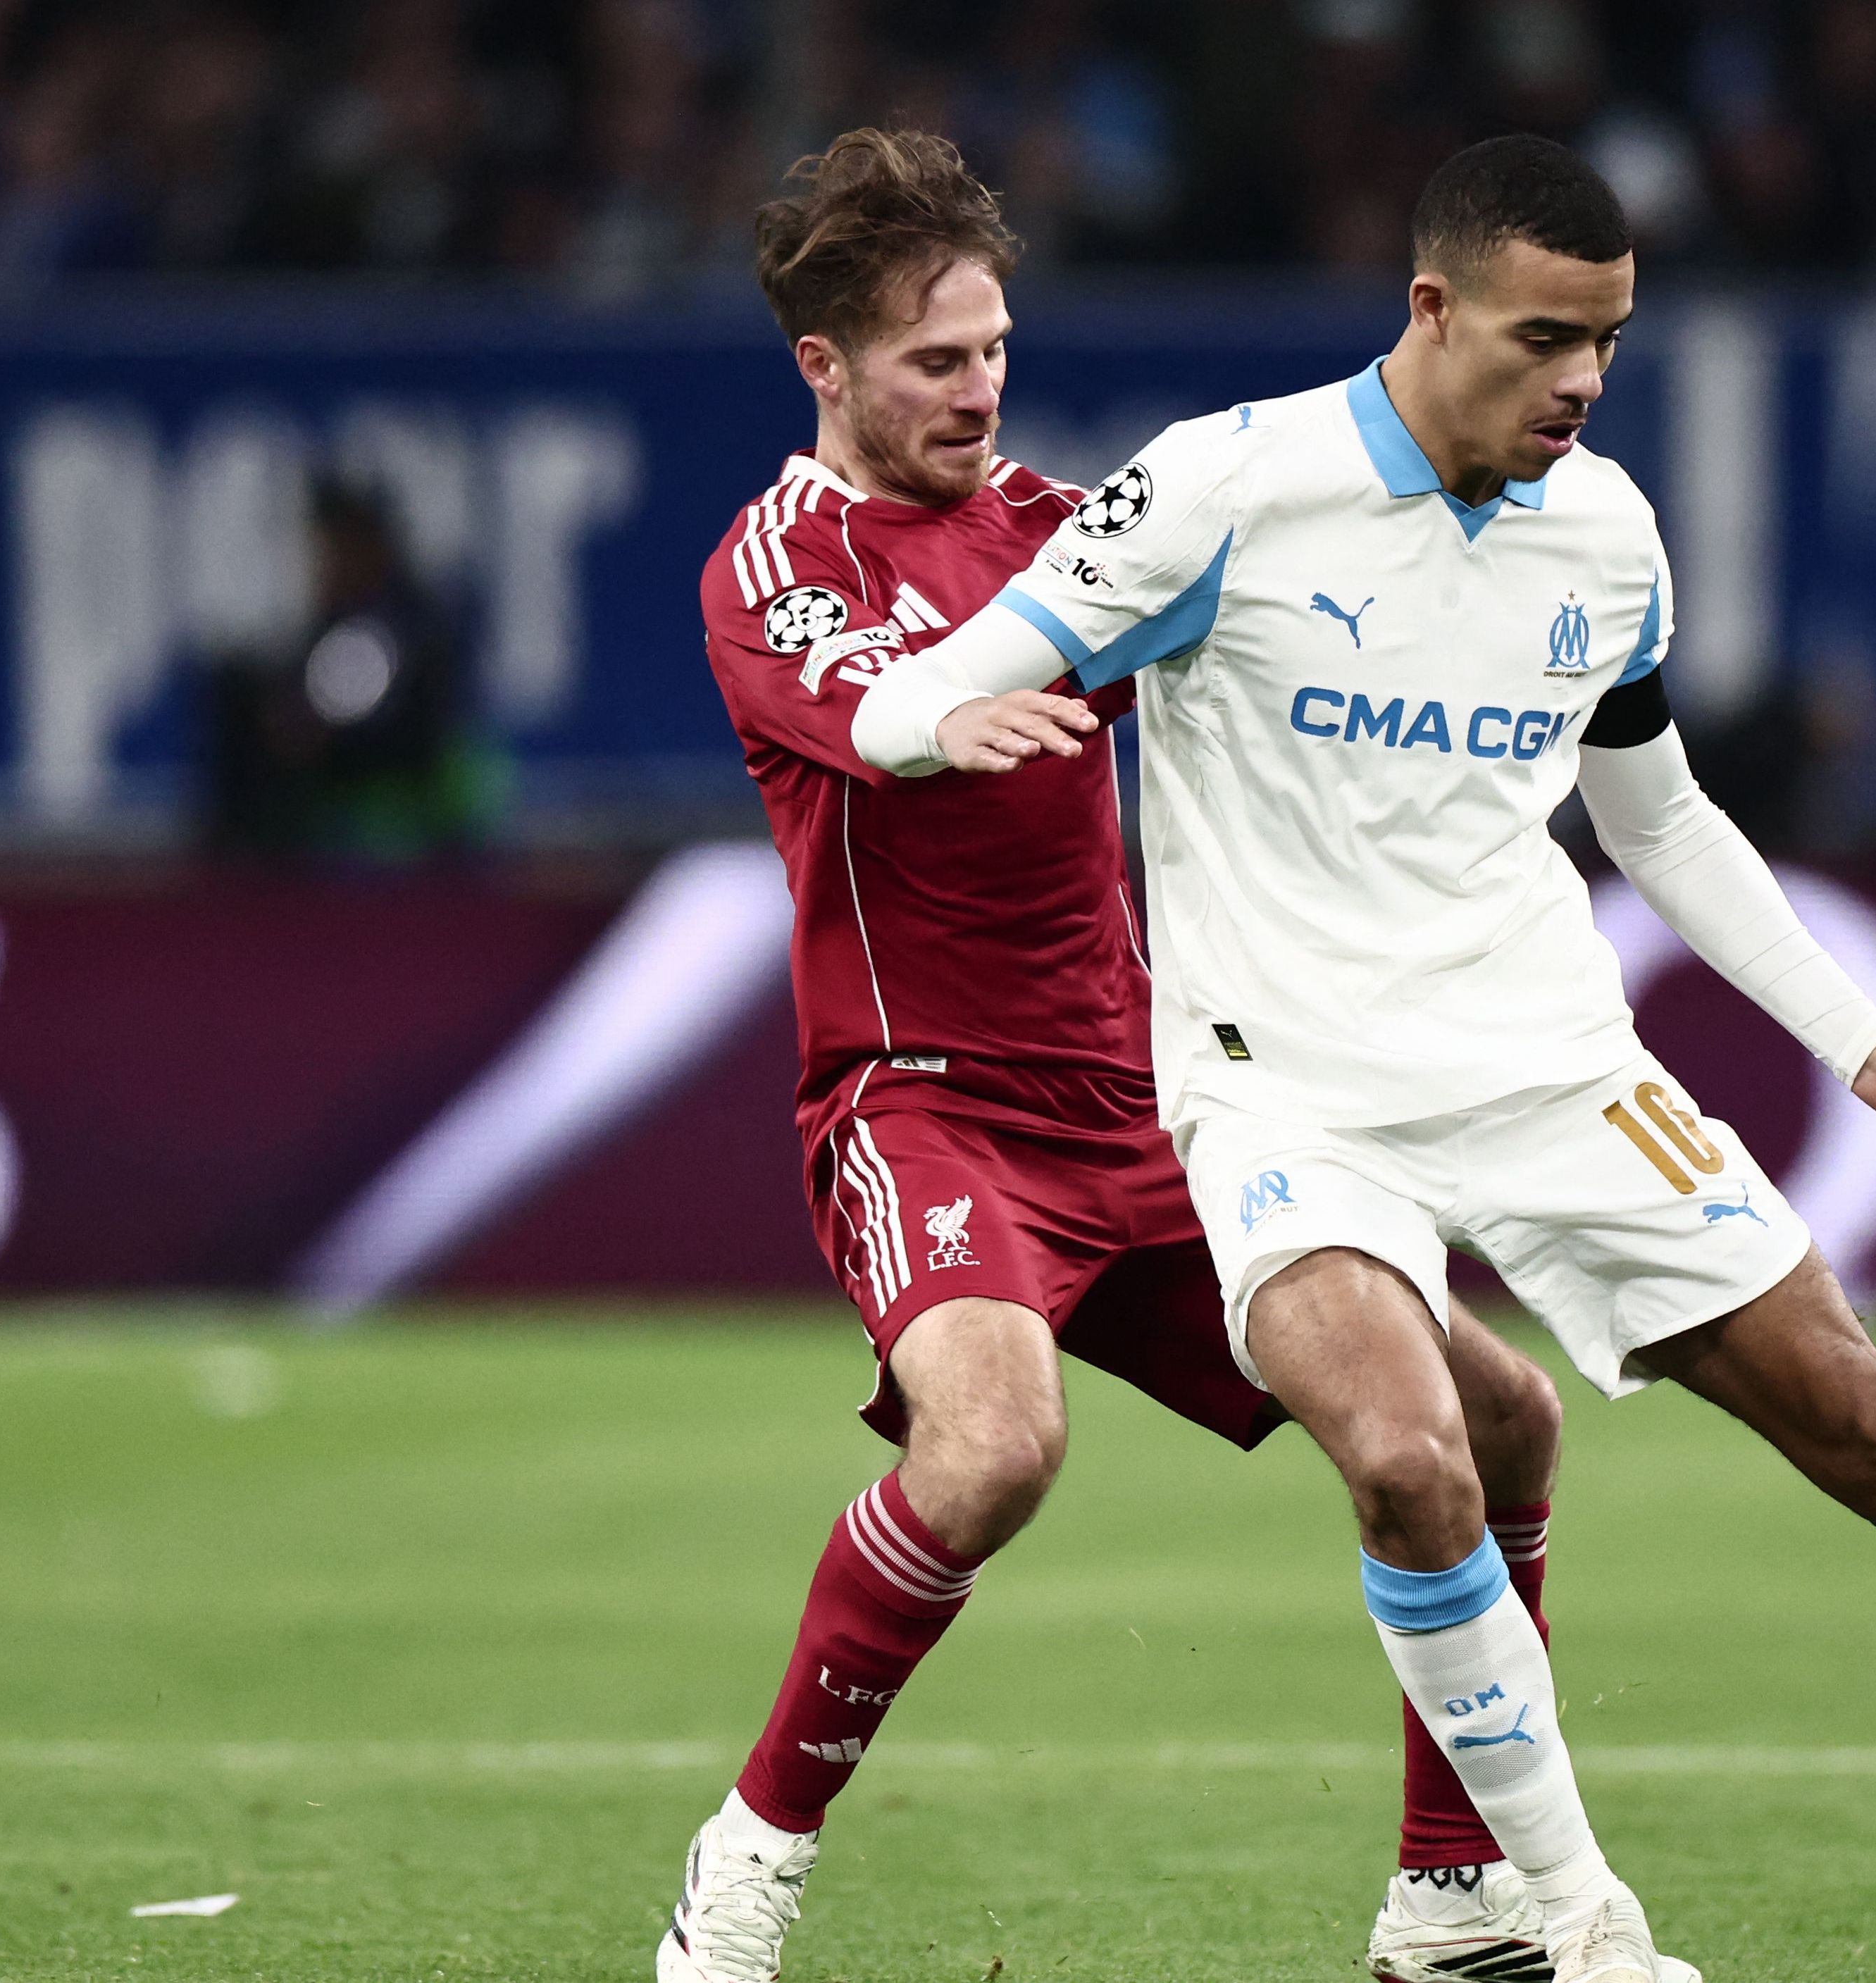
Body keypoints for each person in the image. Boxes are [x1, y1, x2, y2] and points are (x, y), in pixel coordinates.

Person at [856, 136, 1876, 1983]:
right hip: (1282, 1091)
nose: (1583, 381)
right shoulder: (1223, 489)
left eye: (1609, 342)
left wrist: (1860, 1040)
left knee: (1868, 1423)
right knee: (1407, 1460)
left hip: (1548, 1064)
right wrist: (945, 726)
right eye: (1546, 338)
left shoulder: (1606, 535)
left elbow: (1664, 821)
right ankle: (1582, 1932)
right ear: (1432, 308)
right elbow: (920, 684)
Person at [661, 128, 1583, 1983]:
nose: (977, 387)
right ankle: (750, 1860)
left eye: (993, 347)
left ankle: (1451, 1897)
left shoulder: (1060, 533)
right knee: (995, 1447)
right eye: (934, 360)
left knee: (1499, 1422)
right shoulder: (776, 561)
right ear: (822, 367)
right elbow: (867, 707)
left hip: (1151, 1107)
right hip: (924, 1110)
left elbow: (1275, 645)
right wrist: (946, 717)